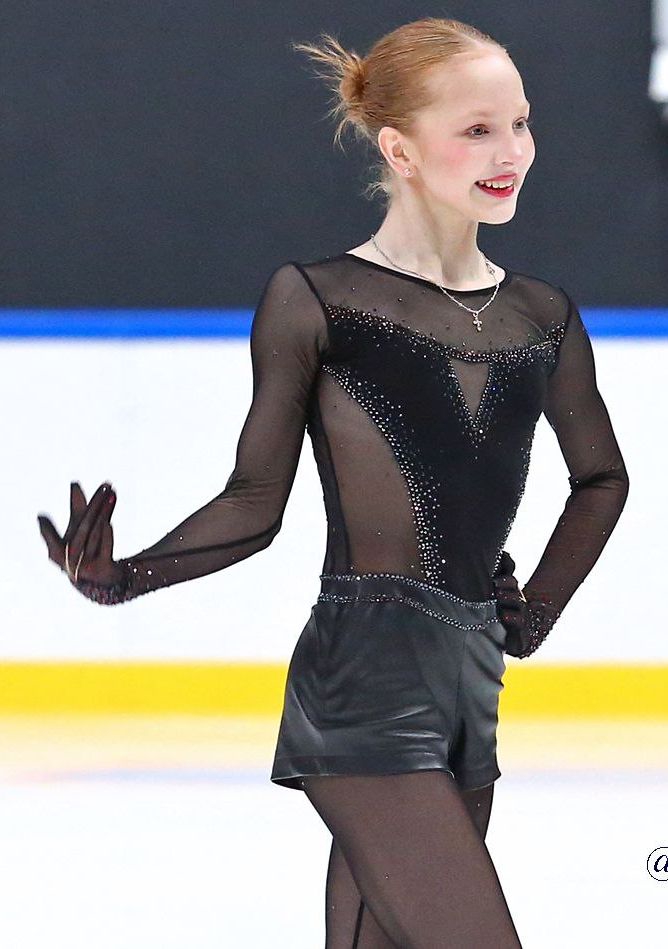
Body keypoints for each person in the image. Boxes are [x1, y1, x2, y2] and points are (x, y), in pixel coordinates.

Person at [37, 17, 630, 948]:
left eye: (520, 123)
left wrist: (537, 610)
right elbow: (253, 503)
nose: (511, 150)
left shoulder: (541, 314)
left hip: (470, 682)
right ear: (400, 149)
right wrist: (127, 576)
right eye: (477, 129)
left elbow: (601, 478)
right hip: (363, 679)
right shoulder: (319, 300)